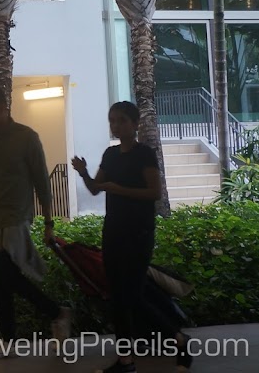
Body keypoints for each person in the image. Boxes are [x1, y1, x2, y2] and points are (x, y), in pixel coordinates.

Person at [72, 101, 191, 373]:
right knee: (118, 299)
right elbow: (95, 189)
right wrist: (83, 173)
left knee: (134, 297)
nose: (116, 125)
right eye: (112, 120)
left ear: (135, 124)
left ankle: (178, 339)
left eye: (122, 120)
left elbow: (154, 193)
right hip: (113, 232)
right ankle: (125, 361)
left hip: (138, 233)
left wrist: (120, 189)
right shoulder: (110, 154)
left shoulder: (144, 154)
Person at [0, 88, 71, 357]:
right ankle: (34, 325)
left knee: (5, 276)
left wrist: (48, 223)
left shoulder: (26, 138)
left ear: (1, 108)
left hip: (15, 218)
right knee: (1, 280)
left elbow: (43, 182)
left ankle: (53, 314)